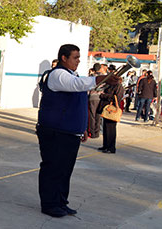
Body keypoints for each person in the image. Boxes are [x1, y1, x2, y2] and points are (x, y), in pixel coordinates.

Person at [36, 44, 119, 217]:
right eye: (75, 57)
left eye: (79, 57)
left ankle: (60, 202)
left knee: (65, 170)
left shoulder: (71, 75)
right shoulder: (58, 74)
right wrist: (99, 78)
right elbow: (77, 84)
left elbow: (80, 98)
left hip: (68, 132)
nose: (78, 61)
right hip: (55, 131)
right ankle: (50, 204)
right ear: (64, 58)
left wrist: (82, 130)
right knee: (53, 168)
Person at [97, 78, 124, 154]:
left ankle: (111, 147)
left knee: (110, 129)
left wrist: (103, 95)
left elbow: (116, 97)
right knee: (106, 128)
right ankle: (105, 145)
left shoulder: (118, 87)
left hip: (112, 109)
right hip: (107, 109)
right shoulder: (111, 86)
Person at [87, 63, 105, 138]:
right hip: (100, 97)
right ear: (100, 68)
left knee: (92, 115)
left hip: (92, 97)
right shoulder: (104, 77)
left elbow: (88, 88)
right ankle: (97, 132)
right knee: (98, 115)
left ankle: (92, 132)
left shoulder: (91, 77)